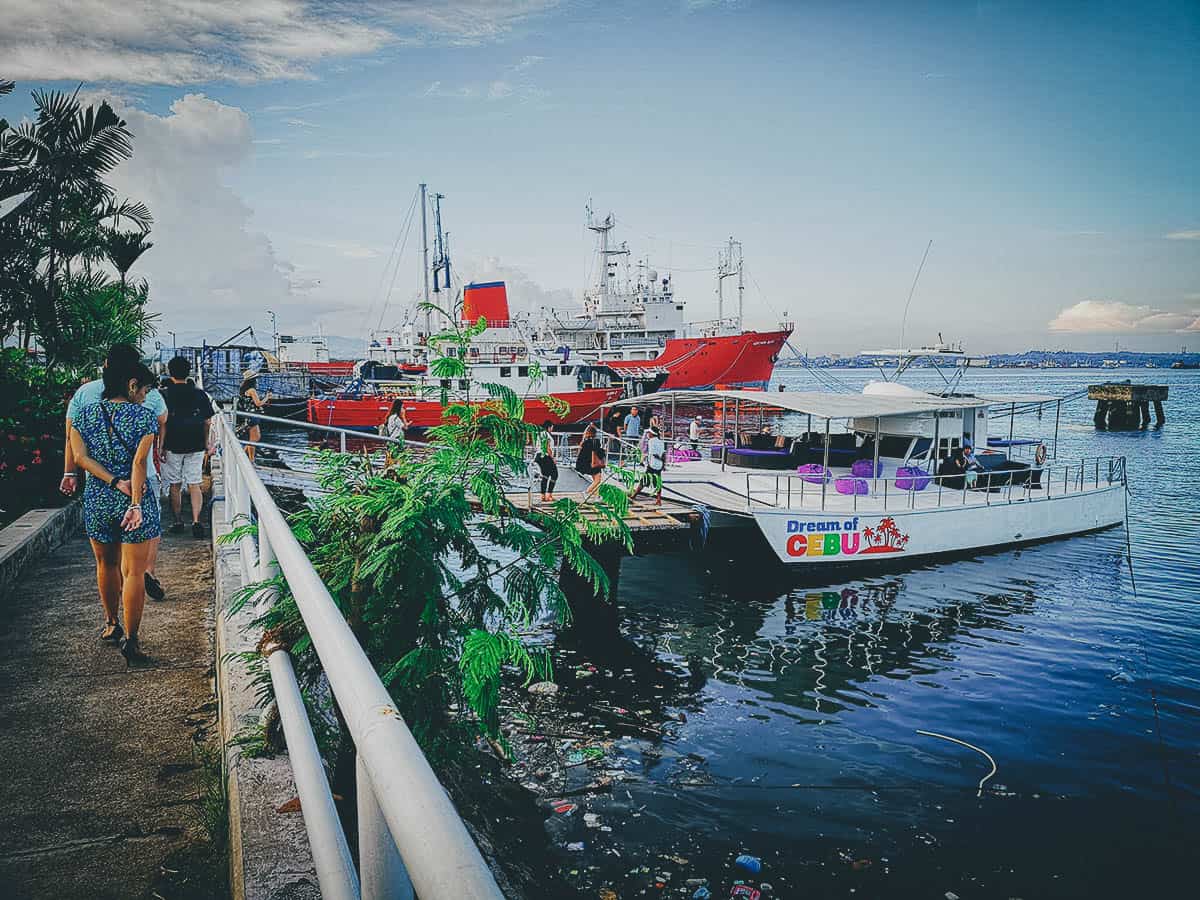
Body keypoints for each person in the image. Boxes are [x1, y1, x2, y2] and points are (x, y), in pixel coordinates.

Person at [70, 362, 162, 665]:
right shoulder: (145, 418)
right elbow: (139, 464)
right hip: (133, 499)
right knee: (133, 572)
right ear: (132, 385)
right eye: (145, 390)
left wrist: (111, 481)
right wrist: (134, 501)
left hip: (98, 498)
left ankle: (111, 623)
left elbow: (80, 458)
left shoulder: (84, 415)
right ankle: (132, 641)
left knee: (105, 563)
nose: (146, 396)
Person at [62, 344, 168, 602]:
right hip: (140, 479)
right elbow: (162, 420)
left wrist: (70, 473)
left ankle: (112, 618)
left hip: (101, 484)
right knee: (145, 532)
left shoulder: (85, 393)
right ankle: (145, 572)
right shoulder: (145, 390)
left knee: (106, 560)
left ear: (107, 364)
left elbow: (71, 437)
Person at [161, 356, 215, 538]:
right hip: (196, 443)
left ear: (170, 372)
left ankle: (177, 521)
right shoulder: (199, 394)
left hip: (172, 444)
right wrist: (207, 442)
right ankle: (197, 521)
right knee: (194, 483)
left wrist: (160, 446)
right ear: (188, 371)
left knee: (174, 485)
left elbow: (162, 423)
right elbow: (207, 421)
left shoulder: (165, 394)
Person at [237, 370, 272, 462]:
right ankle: (248, 459)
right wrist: (267, 397)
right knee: (254, 438)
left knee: (254, 438)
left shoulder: (243, 389)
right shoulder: (252, 390)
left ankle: (244, 457)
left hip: (248, 415)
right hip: (253, 415)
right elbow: (258, 403)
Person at [629, 425, 666, 506]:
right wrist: (663, 464)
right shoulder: (661, 442)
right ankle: (659, 500)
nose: (648, 434)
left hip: (652, 464)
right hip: (659, 465)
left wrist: (644, 460)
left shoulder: (651, 441)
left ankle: (634, 496)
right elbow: (663, 454)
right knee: (658, 481)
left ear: (652, 434)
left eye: (649, 432)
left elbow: (653, 454)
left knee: (643, 481)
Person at [575, 423, 605, 500]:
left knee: (596, 480)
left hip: (586, 463)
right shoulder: (595, 442)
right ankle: (586, 492)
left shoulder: (584, 441)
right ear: (595, 433)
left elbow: (580, 453)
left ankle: (597, 496)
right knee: (598, 480)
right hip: (593, 463)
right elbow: (597, 451)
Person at [534, 420, 558, 503]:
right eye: (552, 427)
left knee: (545, 476)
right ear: (549, 427)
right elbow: (547, 447)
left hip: (538, 456)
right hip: (545, 456)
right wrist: (553, 458)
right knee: (555, 474)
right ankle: (549, 494)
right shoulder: (546, 434)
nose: (552, 429)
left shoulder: (539, 434)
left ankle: (543, 496)